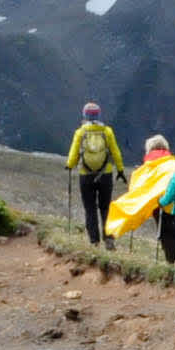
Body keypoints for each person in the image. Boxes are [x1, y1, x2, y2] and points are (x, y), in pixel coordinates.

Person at [64, 103, 125, 245]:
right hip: (106, 174)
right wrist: (120, 170)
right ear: (99, 115)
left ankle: (94, 241)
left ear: (84, 115)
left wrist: (70, 165)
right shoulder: (107, 131)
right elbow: (115, 152)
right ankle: (109, 239)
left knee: (90, 208)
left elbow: (74, 154)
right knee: (105, 207)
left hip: (86, 175)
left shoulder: (80, 133)